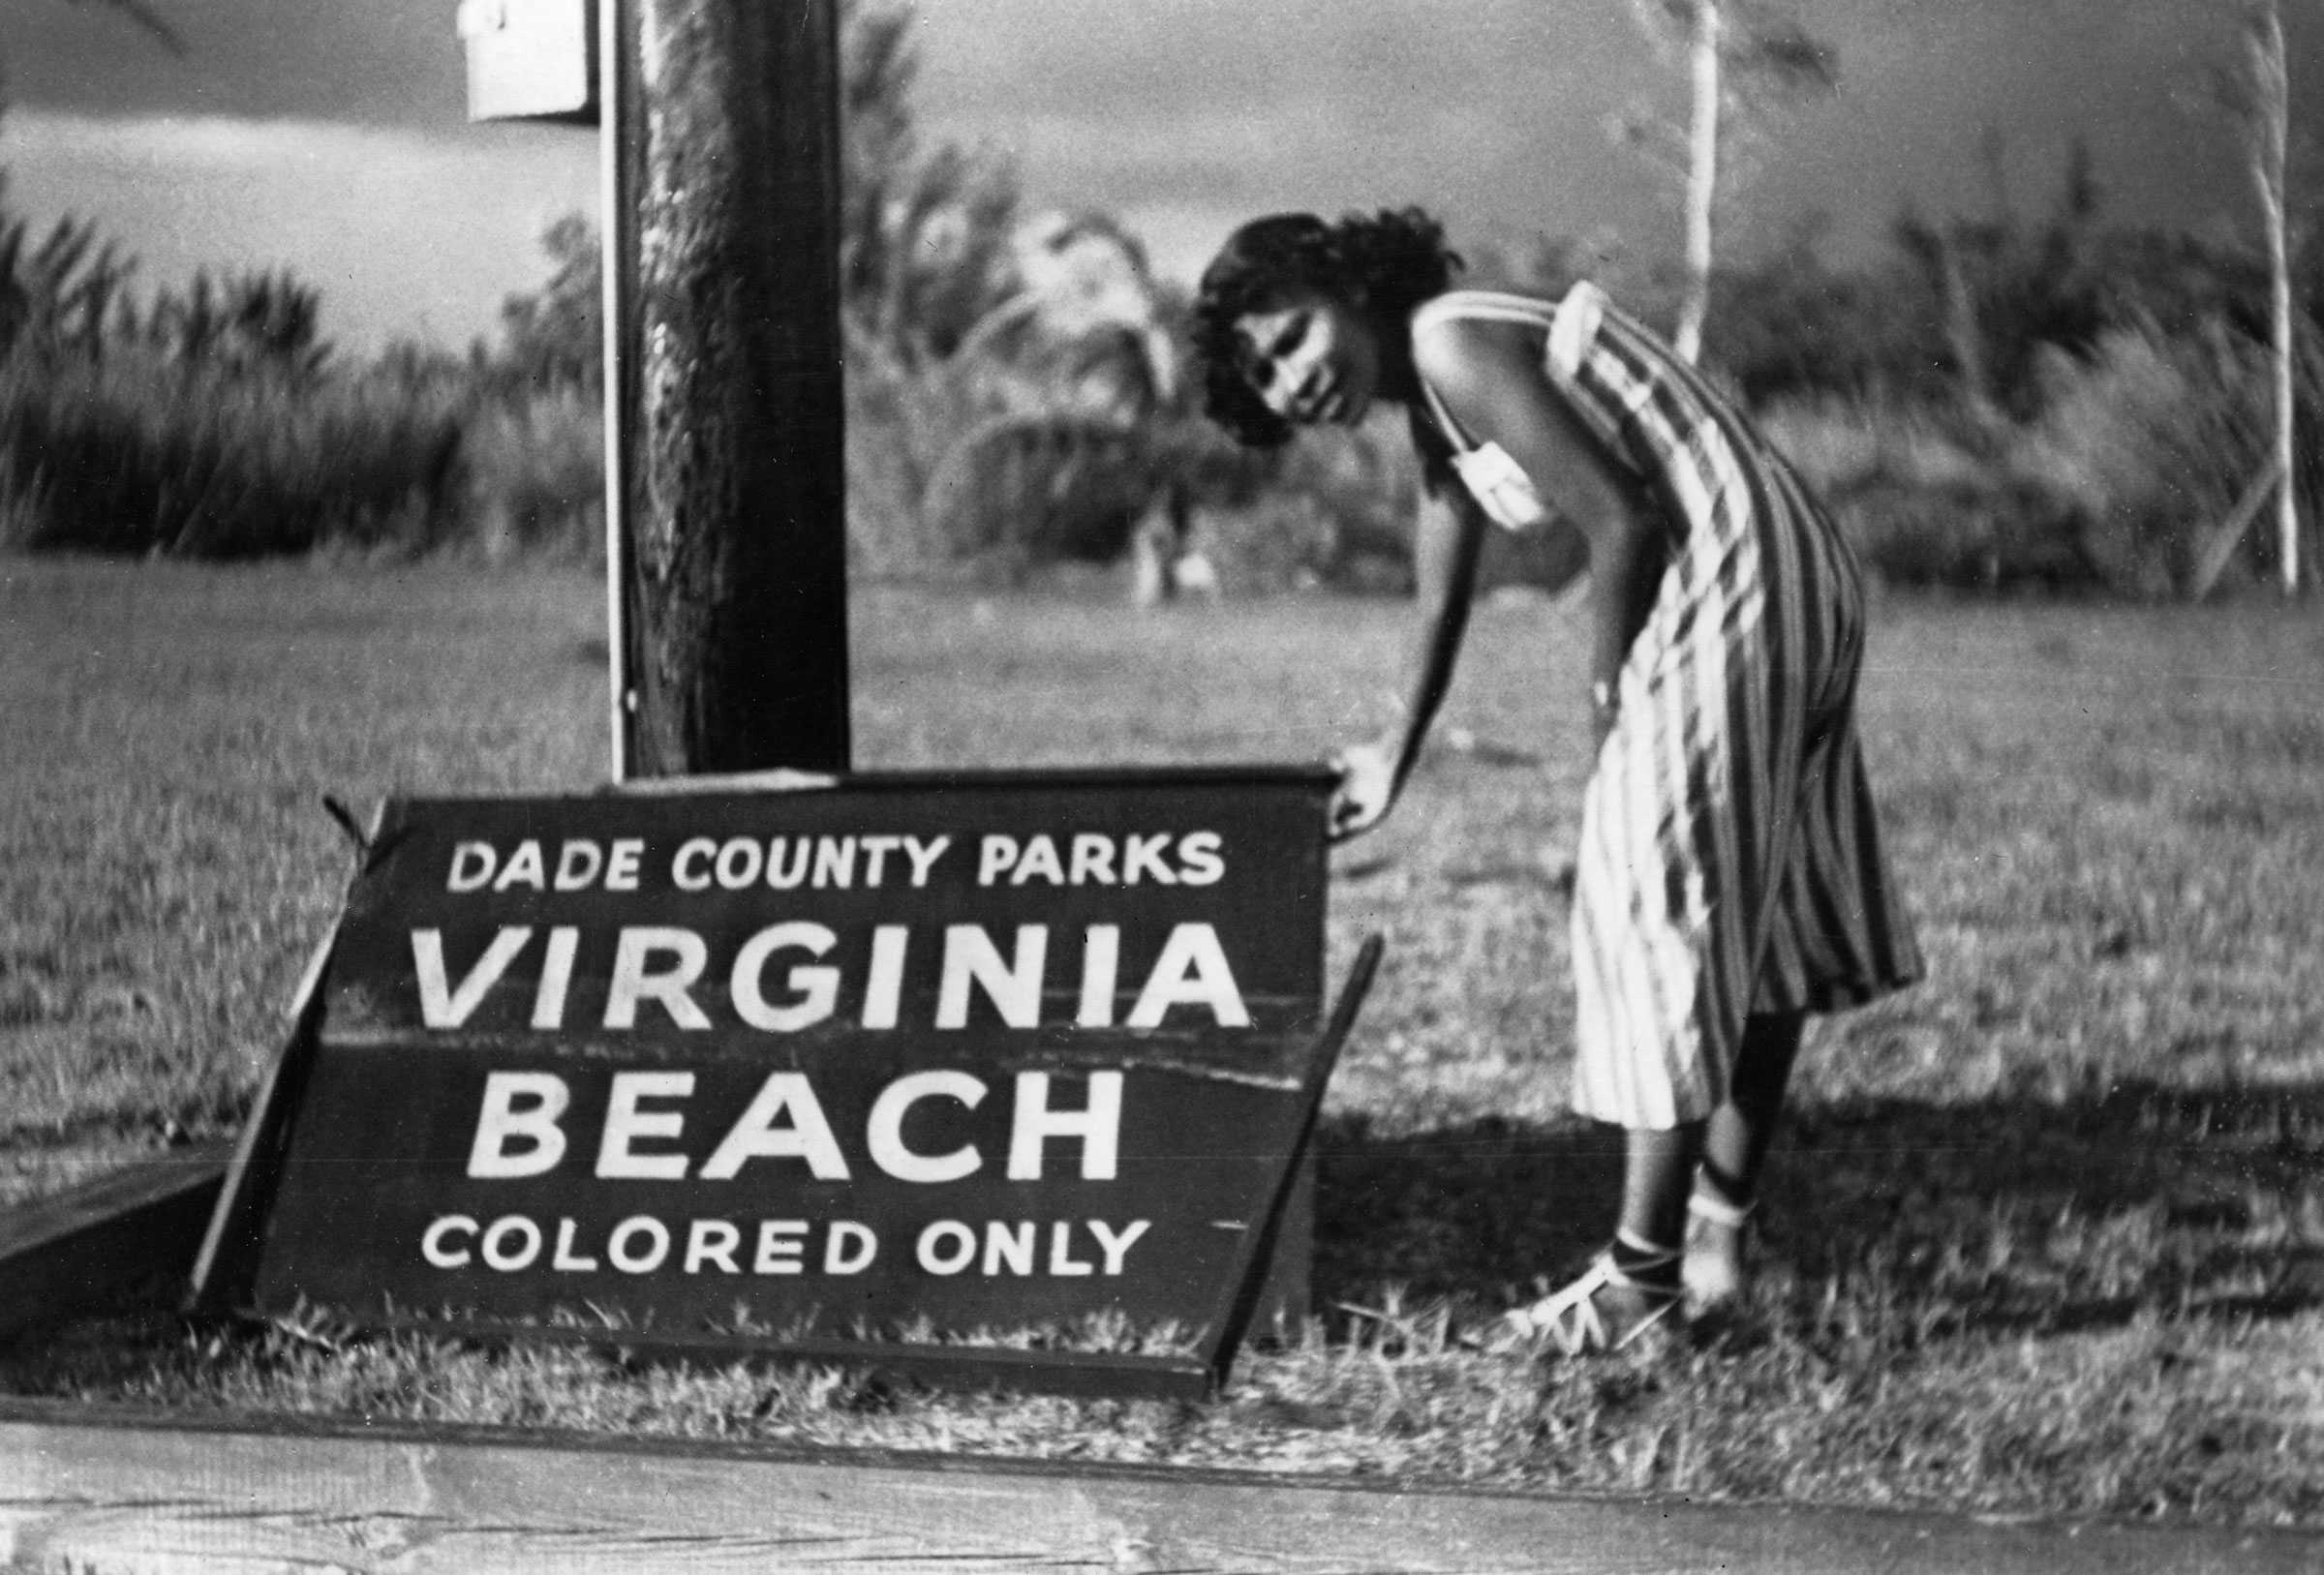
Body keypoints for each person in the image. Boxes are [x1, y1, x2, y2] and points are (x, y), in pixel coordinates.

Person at [1193, 209, 1922, 1355]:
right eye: (1270, 375)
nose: (1294, 381)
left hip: (1726, 576)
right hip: (1796, 570)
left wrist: (1607, 713)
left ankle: (1638, 1283)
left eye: (1292, 338)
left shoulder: (1448, 341)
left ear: (1342, 285)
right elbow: (1440, 594)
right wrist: (1397, 745)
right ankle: (1718, 1240)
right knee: (1767, 923)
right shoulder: (1437, 408)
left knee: (1654, 904)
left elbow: (1620, 521)